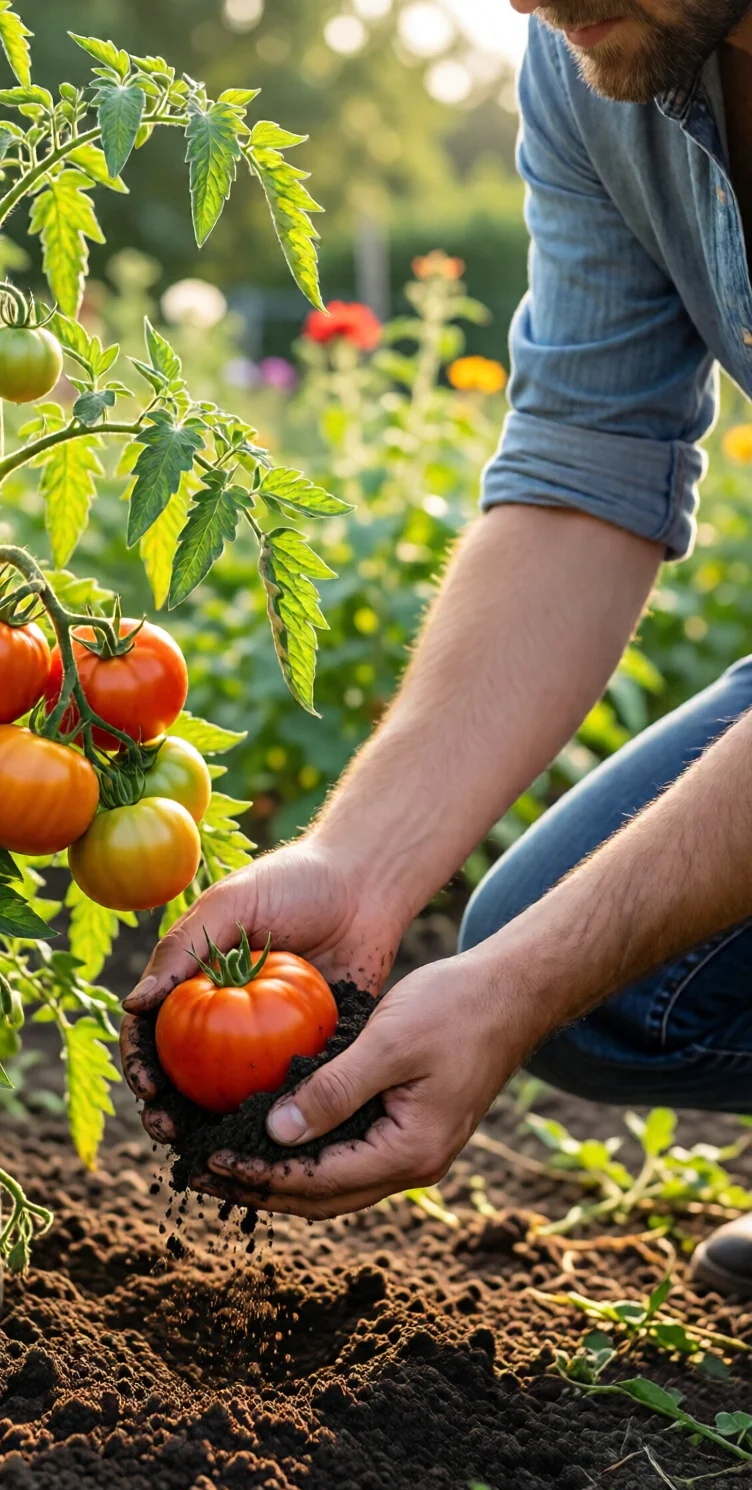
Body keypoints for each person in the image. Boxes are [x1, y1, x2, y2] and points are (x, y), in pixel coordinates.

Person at [121, 0, 752, 1297]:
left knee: (556, 960)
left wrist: (512, 987)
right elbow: (589, 464)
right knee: (602, 972)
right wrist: (362, 861)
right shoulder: (599, 57)